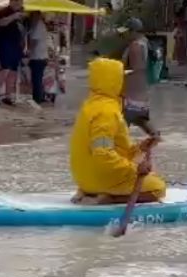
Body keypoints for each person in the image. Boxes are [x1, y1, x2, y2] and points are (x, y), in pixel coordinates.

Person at [70, 58, 165, 205]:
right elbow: (103, 154)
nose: (125, 83)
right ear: (114, 82)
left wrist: (141, 148)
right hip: (99, 178)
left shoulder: (90, 106)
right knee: (158, 188)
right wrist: (135, 169)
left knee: (147, 177)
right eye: (122, 78)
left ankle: (90, 191)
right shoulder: (107, 112)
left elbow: (110, 149)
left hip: (83, 179)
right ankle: (109, 199)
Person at [120, 18, 158, 139]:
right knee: (141, 121)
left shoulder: (135, 46)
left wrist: (118, 73)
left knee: (121, 126)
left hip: (131, 94)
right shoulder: (145, 42)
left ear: (133, 31)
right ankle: (156, 141)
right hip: (142, 94)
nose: (124, 35)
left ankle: (118, 153)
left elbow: (137, 68)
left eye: (126, 32)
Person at [0, 0, 25, 106]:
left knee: (13, 71)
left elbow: (23, 31)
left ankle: (8, 96)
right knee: (5, 68)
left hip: (16, 45)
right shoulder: (4, 12)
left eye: (20, 1)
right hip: (5, 44)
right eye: (16, 1)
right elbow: (1, 23)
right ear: (11, 1)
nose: (18, 3)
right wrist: (14, 16)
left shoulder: (22, 14)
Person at [27, 11, 50, 105]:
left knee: (36, 79)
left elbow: (34, 41)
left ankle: (37, 99)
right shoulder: (37, 25)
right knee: (38, 78)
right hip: (39, 56)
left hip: (38, 57)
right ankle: (39, 96)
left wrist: (28, 51)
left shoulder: (38, 25)